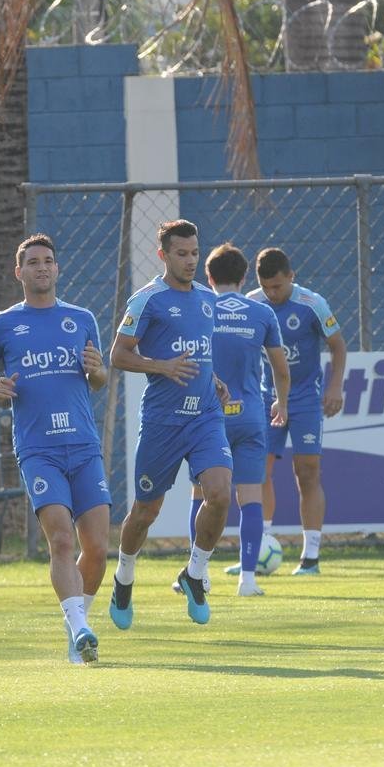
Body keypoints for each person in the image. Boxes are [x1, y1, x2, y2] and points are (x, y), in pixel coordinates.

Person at [0, 233, 111, 665]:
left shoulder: (82, 318)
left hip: (84, 446)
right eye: (32, 262)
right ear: (19, 272)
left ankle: (76, 627)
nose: (42, 268)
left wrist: (97, 372)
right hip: (39, 449)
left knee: (99, 548)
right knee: (62, 540)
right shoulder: (4, 324)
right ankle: (81, 627)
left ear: (57, 268)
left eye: (48, 260)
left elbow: (99, 379)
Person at [108, 219, 231, 629]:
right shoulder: (147, 300)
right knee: (145, 512)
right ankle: (124, 577)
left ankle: (194, 573)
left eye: (195, 253)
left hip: (205, 416)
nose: (191, 260)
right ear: (163, 255)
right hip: (163, 421)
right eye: (182, 253)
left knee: (219, 493)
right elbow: (118, 355)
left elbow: (200, 351)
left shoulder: (207, 299)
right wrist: (160, 365)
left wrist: (214, 381)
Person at [180, 243, 289, 597]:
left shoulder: (199, 309)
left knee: (202, 493)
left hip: (207, 417)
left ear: (207, 276)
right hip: (250, 415)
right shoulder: (261, 313)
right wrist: (282, 403)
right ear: (245, 277)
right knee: (250, 498)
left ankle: (200, 574)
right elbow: (280, 368)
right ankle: (248, 580)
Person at [245, 247, 345, 575]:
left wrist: (334, 386)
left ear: (291, 277)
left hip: (304, 399)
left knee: (307, 473)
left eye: (278, 286)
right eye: (266, 286)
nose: (272, 293)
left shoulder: (311, 304)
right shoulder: (253, 304)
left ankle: (311, 557)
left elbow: (337, 345)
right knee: (258, 471)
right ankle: (260, 546)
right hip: (265, 399)